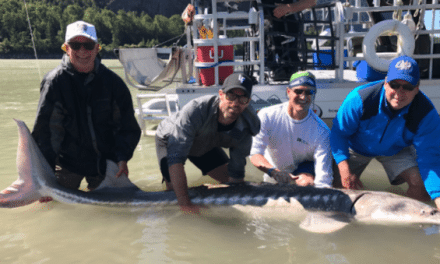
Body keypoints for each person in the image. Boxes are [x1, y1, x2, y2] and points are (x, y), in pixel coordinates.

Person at [32, 21, 141, 193]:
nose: (82, 51)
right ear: (66, 48)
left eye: (88, 45)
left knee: (116, 209)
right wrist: (44, 178)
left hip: (104, 163)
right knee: (57, 208)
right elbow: (45, 133)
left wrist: (122, 159)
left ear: (97, 48)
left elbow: (127, 126)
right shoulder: (54, 82)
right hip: (67, 163)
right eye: (75, 45)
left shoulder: (113, 83)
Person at [331, 55, 440, 209]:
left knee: (420, 184)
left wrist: (438, 196)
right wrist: (344, 170)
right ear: (385, 83)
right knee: (337, 186)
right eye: (394, 85)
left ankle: (405, 224)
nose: (399, 92)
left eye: (407, 87)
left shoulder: (426, 113)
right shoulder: (360, 98)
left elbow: (430, 159)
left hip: (395, 150)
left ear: (417, 88)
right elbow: (338, 133)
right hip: (356, 147)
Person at [155, 73, 260, 211]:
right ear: (221, 94)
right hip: (171, 138)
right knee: (175, 196)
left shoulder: (247, 126)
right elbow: (176, 159)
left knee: (228, 181)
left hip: (205, 142)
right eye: (231, 96)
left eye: (243, 99)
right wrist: (185, 204)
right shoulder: (196, 110)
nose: (235, 103)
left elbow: (237, 173)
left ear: (248, 101)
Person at [250, 71, 333, 187]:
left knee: (306, 183)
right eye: (298, 91)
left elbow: (324, 179)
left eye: (309, 92)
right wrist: (274, 172)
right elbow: (255, 153)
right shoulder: (267, 116)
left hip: (304, 170)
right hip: (273, 172)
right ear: (288, 92)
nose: (303, 97)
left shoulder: (322, 131)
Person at [261, 0, 317, 80]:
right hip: (267, 27)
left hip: (287, 27)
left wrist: (288, 8)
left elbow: (311, 2)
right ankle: (278, 67)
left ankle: (287, 67)